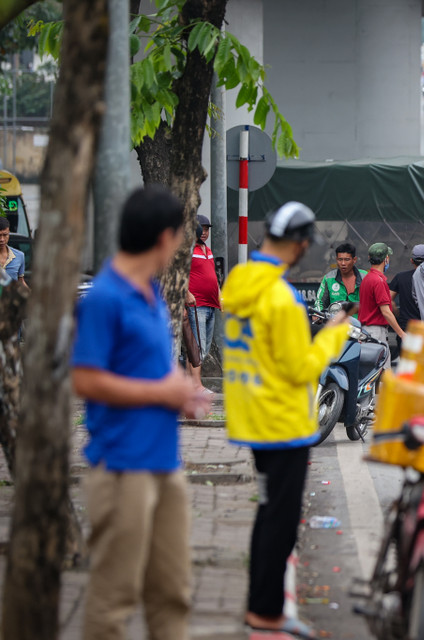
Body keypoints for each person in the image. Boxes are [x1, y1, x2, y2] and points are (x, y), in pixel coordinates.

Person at [71, 185, 209, 640]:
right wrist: (160, 392)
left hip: (164, 465)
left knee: (172, 592)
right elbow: (85, 380)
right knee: (115, 599)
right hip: (122, 470)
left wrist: (183, 395)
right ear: (164, 237)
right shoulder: (105, 298)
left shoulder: (151, 293)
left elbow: (154, 373)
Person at [221, 201, 350, 638]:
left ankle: (263, 605)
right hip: (283, 421)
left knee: (268, 514)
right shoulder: (282, 298)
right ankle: (266, 611)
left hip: (250, 417)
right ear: (297, 245)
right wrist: (333, 333)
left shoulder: (239, 282)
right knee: (279, 521)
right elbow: (301, 369)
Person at [187, 214, 219, 393]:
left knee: (201, 349)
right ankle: (197, 387)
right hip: (196, 305)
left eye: (207, 229)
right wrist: (187, 294)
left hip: (211, 305)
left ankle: (190, 386)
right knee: (197, 347)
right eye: (202, 228)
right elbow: (180, 275)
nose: (205, 232)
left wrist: (219, 297)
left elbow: (213, 276)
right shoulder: (188, 250)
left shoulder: (208, 250)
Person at [358, 243, 405, 362]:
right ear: (386, 259)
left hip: (367, 330)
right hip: (376, 332)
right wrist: (401, 334)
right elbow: (386, 312)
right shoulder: (378, 281)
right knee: (381, 371)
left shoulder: (368, 278)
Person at [314, 242, 366, 315]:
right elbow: (320, 302)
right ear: (336, 259)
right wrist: (318, 313)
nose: (343, 263)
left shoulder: (366, 277)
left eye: (347, 259)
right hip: (336, 324)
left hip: (361, 325)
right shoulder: (329, 278)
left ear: (354, 260)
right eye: (340, 259)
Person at [389, 243, 424, 338]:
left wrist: (398, 314)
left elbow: (388, 300)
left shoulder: (401, 277)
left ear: (412, 261)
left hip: (407, 328)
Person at [0, 217, 28, 290]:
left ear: (9, 233)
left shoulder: (19, 256)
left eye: (5, 235)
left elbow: (21, 281)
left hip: (10, 300)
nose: (2, 239)